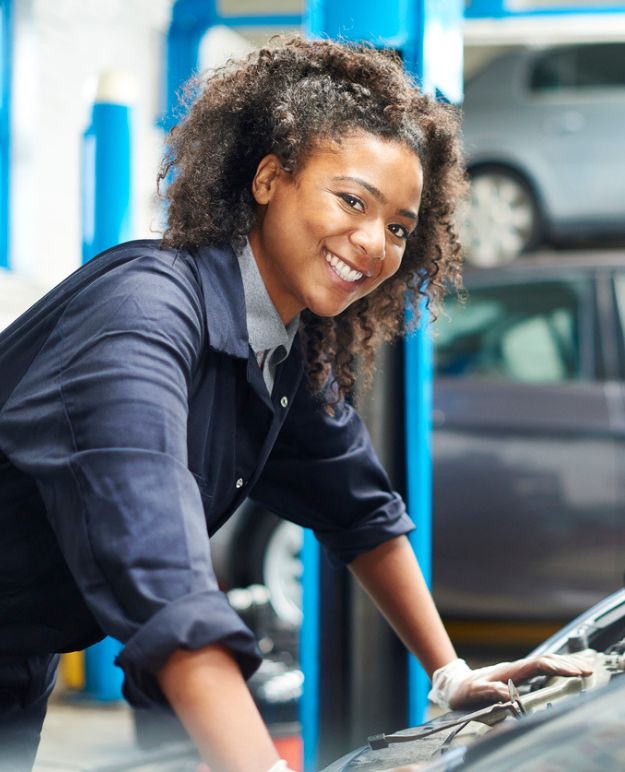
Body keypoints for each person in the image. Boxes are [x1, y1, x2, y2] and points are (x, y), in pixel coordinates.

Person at [0, 37, 591, 772]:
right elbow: (157, 560)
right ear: (269, 179)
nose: (374, 243)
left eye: (401, 227)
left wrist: (452, 675)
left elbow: (359, 510)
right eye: (352, 200)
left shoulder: (282, 350)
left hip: (19, 658)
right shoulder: (142, 314)